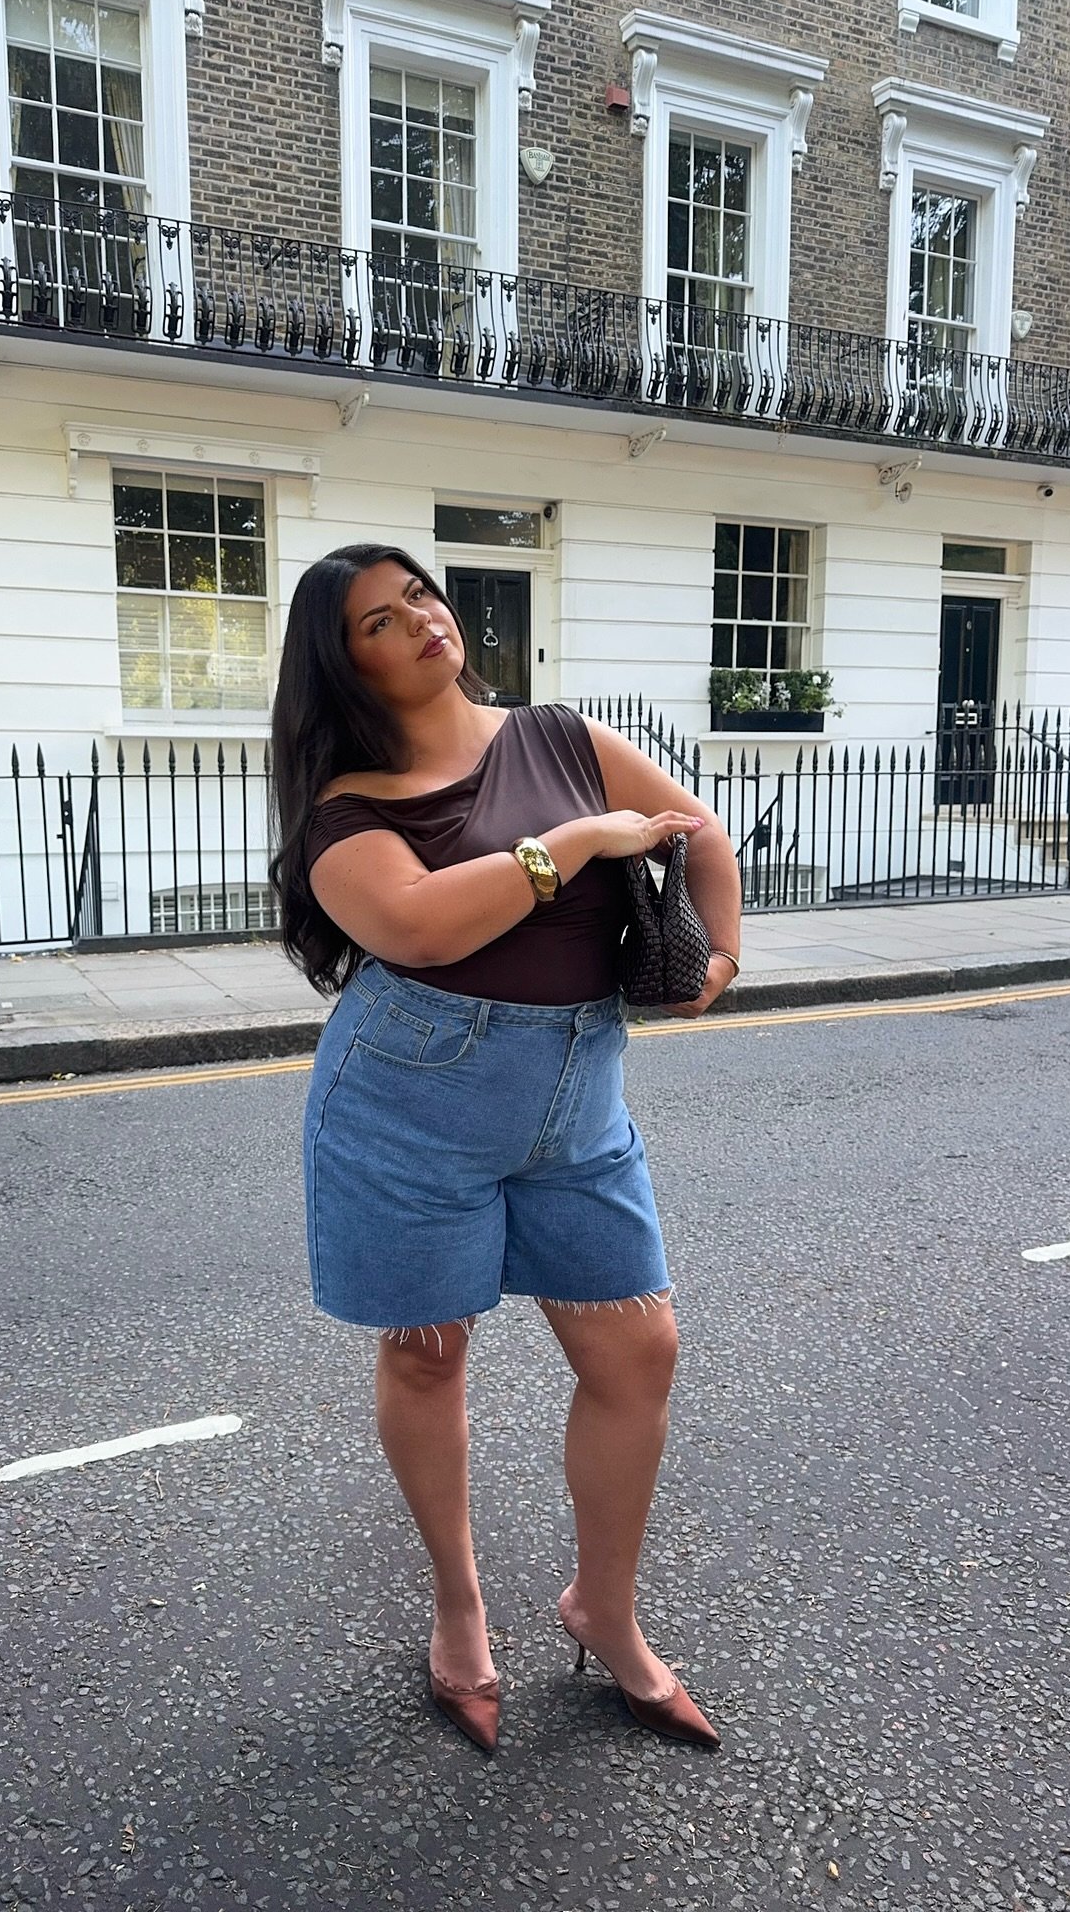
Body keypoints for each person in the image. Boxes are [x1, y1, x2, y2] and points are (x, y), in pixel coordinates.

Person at [269, 544, 743, 1754]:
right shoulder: (349, 808)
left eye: (422, 594)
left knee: (639, 1352)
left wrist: (720, 960)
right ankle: (459, 1609)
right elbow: (419, 931)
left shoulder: (561, 737)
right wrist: (575, 847)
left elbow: (697, 834)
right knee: (428, 1354)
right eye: (383, 619)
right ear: (345, 661)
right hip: (411, 1102)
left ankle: (608, 1612)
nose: (423, 620)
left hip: (578, 1097)